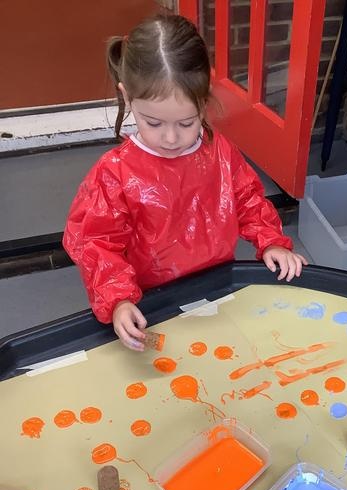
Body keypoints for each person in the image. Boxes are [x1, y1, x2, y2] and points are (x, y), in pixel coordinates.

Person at [63, 14, 307, 351]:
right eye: (153, 122)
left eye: (186, 122)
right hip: (151, 302)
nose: (170, 138)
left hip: (217, 287)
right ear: (127, 97)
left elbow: (248, 199)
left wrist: (272, 243)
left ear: (204, 102)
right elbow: (96, 243)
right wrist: (118, 300)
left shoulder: (219, 151)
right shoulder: (115, 173)